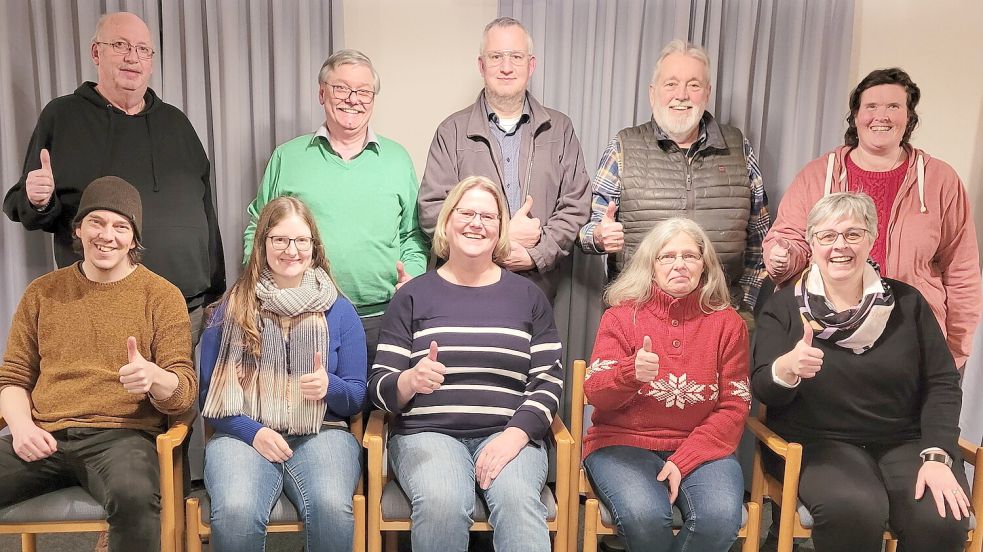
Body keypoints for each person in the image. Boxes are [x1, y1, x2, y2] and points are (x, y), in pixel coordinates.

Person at [753, 192, 969, 551]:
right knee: (853, 510)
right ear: (811, 243)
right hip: (818, 444)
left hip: (907, 442)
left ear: (871, 239)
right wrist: (787, 369)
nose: (840, 245)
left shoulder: (908, 303)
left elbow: (943, 383)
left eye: (853, 234)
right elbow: (765, 388)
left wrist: (937, 454)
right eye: (827, 236)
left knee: (941, 518)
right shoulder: (784, 307)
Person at [0, 177, 196, 551]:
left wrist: (155, 377)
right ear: (78, 229)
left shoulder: (161, 296)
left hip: (121, 438)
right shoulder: (42, 292)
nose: (108, 235)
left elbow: (183, 392)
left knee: (136, 496)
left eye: (121, 226)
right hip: (44, 435)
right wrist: (21, 426)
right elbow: (12, 377)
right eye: (97, 222)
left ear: (134, 239)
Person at [369, 176, 563, 552]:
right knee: (443, 503)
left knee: (519, 502)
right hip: (428, 434)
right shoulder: (412, 296)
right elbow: (379, 387)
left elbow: (548, 381)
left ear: (501, 229)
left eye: (488, 216)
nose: (477, 223)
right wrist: (410, 380)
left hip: (509, 432)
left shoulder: (529, 297)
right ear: (447, 221)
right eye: (467, 212)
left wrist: (516, 435)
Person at [3, 11, 225, 336]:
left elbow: (205, 211)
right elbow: (32, 211)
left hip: (183, 309)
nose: (132, 57)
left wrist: (216, 290)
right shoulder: (62, 116)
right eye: (120, 45)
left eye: (142, 49)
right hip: (98, 308)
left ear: (151, 61)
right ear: (97, 52)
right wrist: (38, 200)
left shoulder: (176, 123)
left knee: (178, 388)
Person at [763, 67, 980, 370]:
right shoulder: (817, 175)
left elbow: (962, 272)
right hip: (827, 335)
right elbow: (789, 239)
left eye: (894, 106)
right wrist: (781, 256)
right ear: (855, 116)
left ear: (909, 117)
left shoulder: (941, 180)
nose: (882, 116)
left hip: (910, 339)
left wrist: (954, 351)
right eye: (871, 106)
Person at [200, 197, 366, 551]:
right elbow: (207, 396)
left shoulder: (340, 309)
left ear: (314, 247)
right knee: (235, 511)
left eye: (301, 241)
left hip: (323, 433)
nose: (292, 250)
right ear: (263, 244)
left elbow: (356, 396)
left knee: (332, 509)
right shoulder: (231, 308)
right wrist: (253, 431)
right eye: (280, 240)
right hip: (243, 433)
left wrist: (328, 386)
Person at [244, 49, 427, 369]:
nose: (352, 99)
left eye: (363, 91)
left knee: (381, 411)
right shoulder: (288, 157)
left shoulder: (398, 159)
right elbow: (257, 227)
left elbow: (412, 233)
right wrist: (259, 284)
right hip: (302, 316)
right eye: (341, 88)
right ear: (321, 93)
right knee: (306, 411)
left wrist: (413, 276)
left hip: (382, 318)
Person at [583, 218, 750, 551]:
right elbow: (595, 392)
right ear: (651, 265)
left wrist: (683, 459)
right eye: (667, 257)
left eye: (689, 256)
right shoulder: (620, 316)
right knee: (645, 517)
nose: (679, 265)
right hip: (622, 443)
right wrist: (630, 374)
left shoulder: (729, 324)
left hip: (704, 448)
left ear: (705, 266)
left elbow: (735, 406)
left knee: (718, 519)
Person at [578, 39, 770, 314]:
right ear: (652, 93)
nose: (682, 95)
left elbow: (760, 241)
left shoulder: (740, 148)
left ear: (707, 93)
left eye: (694, 85)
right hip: (639, 315)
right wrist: (598, 237)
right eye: (671, 84)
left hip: (720, 318)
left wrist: (743, 307)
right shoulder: (623, 147)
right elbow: (585, 233)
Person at [418, 17, 591, 303]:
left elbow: (576, 204)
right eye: (496, 56)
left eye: (516, 57)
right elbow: (432, 211)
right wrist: (502, 240)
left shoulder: (560, 129)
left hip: (537, 290)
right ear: (481, 65)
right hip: (465, 290)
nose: (506, 67)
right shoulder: (451, 131)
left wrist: (536, 253)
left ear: (531, 65)